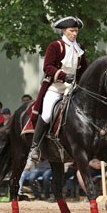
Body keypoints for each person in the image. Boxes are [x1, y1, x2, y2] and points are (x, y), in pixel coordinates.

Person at [27, 16, 87, 163]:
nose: (74, 34)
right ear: (65, 31)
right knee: (47, 114)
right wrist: (63, 75)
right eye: (72, 31)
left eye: (76, 31)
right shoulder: (55, 46)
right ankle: (35, 147)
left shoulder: (80, 48)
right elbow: (47, 67)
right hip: (55, 88)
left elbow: (84, 69)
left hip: (72, 89)